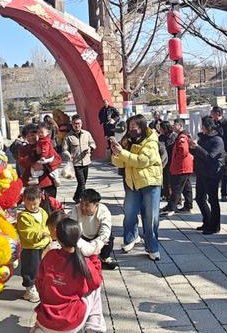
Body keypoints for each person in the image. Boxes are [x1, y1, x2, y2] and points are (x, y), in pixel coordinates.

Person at [28, 217, 107, 333]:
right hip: (72, 321)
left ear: (58, 238)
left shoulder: (50, 256)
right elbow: (96, 282)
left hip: (46, 319)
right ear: (78, 237)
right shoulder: (83, 261)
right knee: (95, 289)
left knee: (41, 325)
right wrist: (95, 257)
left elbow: (39, 283)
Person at [111, 115, 163, 261]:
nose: (132, 128)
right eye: (130, 125)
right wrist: (116, 153)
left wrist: (122, 153)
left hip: (150, 183)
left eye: (135, 125)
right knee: (129, 213)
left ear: (142, 126)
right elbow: (121, 163)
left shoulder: (151, 141)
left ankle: (152, 246)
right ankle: (130, 237)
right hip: (131, 183)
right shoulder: (127, 140)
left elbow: (142, 161)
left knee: (151, 217)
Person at [190, 117, 226, 235]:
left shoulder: (217, 140)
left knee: (213, 200)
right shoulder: (203, 138)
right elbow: (198, 153)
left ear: (209, 128)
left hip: (212, 173)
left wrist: (197, 147)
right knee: (199, 198)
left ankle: (215, 226)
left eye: (203, 127)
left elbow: (210, 157)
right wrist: (192, 148)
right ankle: (207, 220)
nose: (202, 129)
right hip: (201, 172)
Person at [15, 186, 50, 304]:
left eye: (35, 204)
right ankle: (30, 288)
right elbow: (27, 233)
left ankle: (39, 286)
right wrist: (40, 235)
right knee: (30, 268)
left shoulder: (43, 212)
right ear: (24, 201)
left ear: (40, 200)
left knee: (42, 267)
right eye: (29, 204)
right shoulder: (23, 216)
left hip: (44, 245)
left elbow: (47, 225)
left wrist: (49, 236)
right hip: (30, 248)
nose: (32, 207)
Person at [69, 188, 118, 270]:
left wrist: (97, 244)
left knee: (109, 236)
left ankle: (104, 257)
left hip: (97, 237)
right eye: (81, 203)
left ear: (96, 205)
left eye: (87, 205)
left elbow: (105, 231)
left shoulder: (103, 211)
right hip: (81, 237)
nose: (83, 207)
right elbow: (71, 226)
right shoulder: (76, 209)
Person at [161, 118, 194, 217]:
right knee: (186, 187)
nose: (173, 126)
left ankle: (172, 208)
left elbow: (183, 151)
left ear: (180, 125)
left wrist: (175, 160)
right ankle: (188, 206)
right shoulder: (182, 135)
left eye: (175, 124)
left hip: (182, 166)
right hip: (185, 166)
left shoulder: (182, 137)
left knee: (177, 187)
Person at [65, 115, 96, 203]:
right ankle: (83, 201)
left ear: (81, 124)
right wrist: (68, 155)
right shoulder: (68, 137)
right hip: (76, 163)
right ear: (72, 124)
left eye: (78, 123)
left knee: (83, 182)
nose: (77, 125)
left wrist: (90, 148)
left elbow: (93, 143)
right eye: (75, 123)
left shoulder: (87, 134)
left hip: (86, 161)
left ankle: (76, 197)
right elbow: (64, 149)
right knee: (82, 183)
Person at [210, 106, 227, 201]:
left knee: (224, 173)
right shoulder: (212, 123)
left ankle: (224, 193)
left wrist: (226, 151)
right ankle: (212, 194)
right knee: (213, 173)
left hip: (224, 153)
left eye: (212, 112)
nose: (211, 114)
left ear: (217, 113)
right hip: (213, 152)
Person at [31, 123, 61, 191]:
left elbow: (45, 150)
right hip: (47, 158)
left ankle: (55, 178)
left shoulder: (45, 141)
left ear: (47, 132)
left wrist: (43, 157)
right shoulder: (41, 140)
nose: (40, 134)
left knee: (48, 168)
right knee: (36, 167)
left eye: (42, 132)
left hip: (48, 157)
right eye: (38, 132)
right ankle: (36, 178)